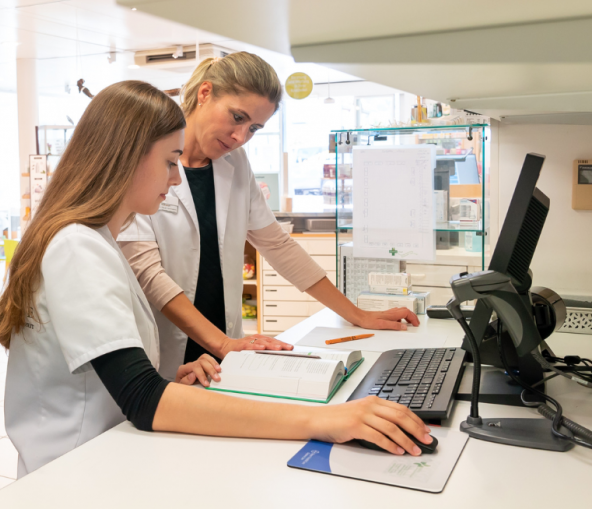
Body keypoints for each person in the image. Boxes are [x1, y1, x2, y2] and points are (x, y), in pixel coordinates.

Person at [0, 80, 431, 478]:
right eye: (168, 161)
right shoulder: (77, 246)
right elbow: (141, 399)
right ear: (124, 159)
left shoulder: (96, 240)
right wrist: (323, 421)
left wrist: (171, 378)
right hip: (74, 472)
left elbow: (123, 379)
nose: (177, 176)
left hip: (112, 455)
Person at [118, 52, 419, 378]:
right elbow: (149, 274)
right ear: (205, 94)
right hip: (168, 351)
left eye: (254, 128)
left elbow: (277, 244)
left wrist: (356, 315)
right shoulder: (147, 157)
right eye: (237, 117)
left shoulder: (235, 163)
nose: (240, 137)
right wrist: (222, 344)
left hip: (223, 349)